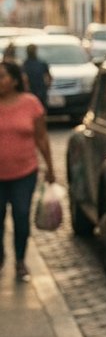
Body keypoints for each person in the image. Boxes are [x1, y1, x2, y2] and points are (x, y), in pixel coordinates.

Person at [0, 61, 56, 281]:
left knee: (21, 215)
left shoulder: (31, 104)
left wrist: (51, 168)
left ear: (14, 81)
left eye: (2, 76)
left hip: (25, 172)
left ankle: (21, 261)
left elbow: (42, 137)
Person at [22, 43, 51, 107]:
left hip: (36, 90)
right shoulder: (40, 63)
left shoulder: (25, 64)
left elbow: (49, 77)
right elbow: (49, 77)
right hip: (37, 90)